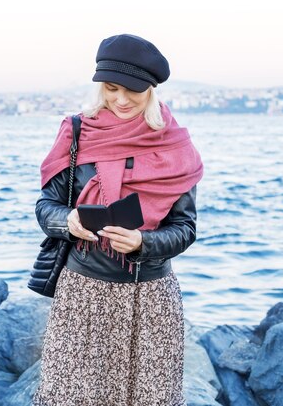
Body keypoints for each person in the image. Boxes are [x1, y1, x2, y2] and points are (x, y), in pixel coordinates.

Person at [32, 34, 204, 406]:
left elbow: (185, 228)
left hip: (151, 299)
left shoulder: (174, 146)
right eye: (111, 89)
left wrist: (144, 243)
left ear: (152, 91)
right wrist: (69, 220)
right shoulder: (77, 132)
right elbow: (45, 207)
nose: (121, 100)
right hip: (82, 294)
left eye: (133, 91)